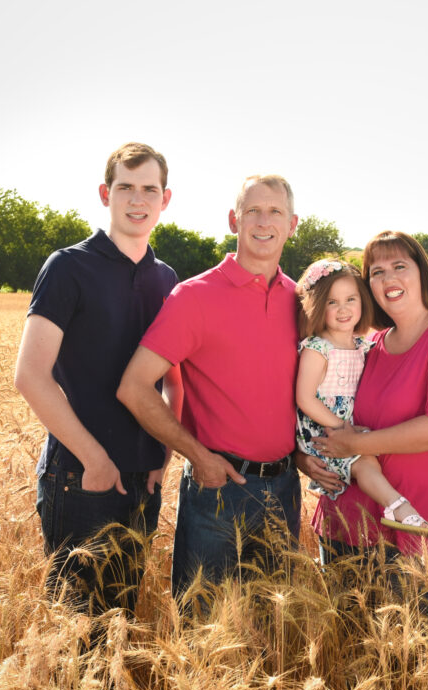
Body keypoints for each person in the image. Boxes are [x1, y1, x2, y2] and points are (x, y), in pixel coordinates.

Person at [117, 174, 303, 604]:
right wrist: (198, 457)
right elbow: (135, 386)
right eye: (253, 210)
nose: (263, 221)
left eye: (275, 211)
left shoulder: (301, 300)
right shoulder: (194, 297)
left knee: (274, 632)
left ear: (292, 224)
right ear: (233, 219)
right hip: (218, 490)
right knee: (202, 633)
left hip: (284, 490)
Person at [14, 142, 181, 614]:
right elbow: (30, 376)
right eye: (125, 187)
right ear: (105, 193)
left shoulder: (167, 279)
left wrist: (163, 453)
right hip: (80, 476)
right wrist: (95, 460)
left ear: (165, 199)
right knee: (75, 630)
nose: (137, 199)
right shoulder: (68, 267)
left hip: (143, 477)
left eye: (150, 189)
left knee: (120, 623)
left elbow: (173, 380)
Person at [311, 231, 428, 576]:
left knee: (414, 630)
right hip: (345, 522)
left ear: (422, 272)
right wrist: (309, 459)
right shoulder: (369, 345)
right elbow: (329, 411)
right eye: (376, 272)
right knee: (342, 631)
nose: (388, 278)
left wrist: (355, 443)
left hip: (416, 530)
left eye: (399, 266)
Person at [295, 258, 428, 537]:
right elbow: (305, 398)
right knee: (365, 463)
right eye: (332, 302)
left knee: (370, 458)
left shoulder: (364, 345)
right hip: (322, 428)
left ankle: (393, 505)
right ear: (317, 306)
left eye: (351, 299)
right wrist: (340, 428)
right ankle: (400, 509)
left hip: (348, 425)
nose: (343, 309)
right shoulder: (317, 348)